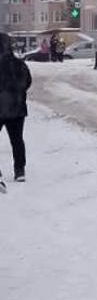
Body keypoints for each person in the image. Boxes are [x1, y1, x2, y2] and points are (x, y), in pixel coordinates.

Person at [0, 30, 32, 189]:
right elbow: (28, 82)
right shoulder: (20, 64)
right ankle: (20, 170)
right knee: (17, 140)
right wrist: (18, 94)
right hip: (17, 109)